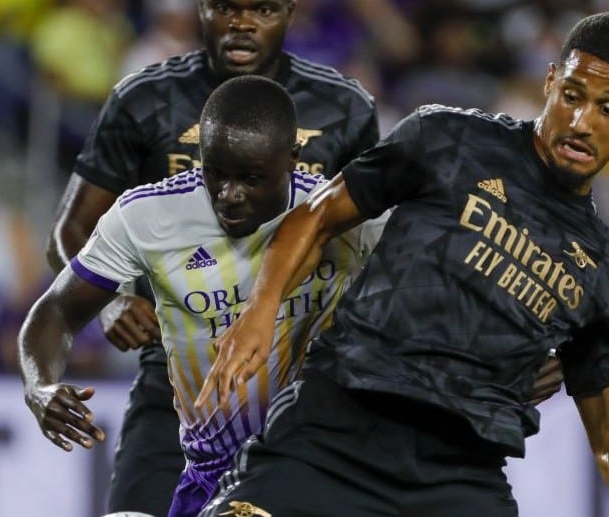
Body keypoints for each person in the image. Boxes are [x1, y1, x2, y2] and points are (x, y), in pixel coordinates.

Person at [198, 12, 609, 516]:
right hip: (333, 431)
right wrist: (260, 309)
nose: (581, 122)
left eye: (608, 108)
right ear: (551, 80)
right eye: (573, 96)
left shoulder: (604, 271)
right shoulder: (449, 139)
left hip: (458, 476)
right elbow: (317, 217)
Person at [43, 2, 379, 515]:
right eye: (225, 6)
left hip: (299, 384)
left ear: (290, 10)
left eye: (262, 8)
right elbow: (70, 232)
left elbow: (375, 243)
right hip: (178, 372)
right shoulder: (145, 98)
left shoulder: (344, 106)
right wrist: (110, 303)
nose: (241, 22)